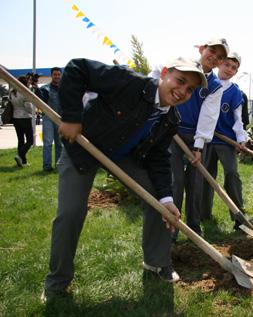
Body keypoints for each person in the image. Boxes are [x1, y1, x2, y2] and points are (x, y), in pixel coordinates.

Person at [41, 57, 207, 302]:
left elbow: (158, 159)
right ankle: (56, 282)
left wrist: (166, 197)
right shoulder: (129, 82)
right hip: (83, 146)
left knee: (161, 202)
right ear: (164, 73)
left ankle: (156, 261)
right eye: (180, 81)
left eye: (190, 89)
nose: (182, 91)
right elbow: (78, 68)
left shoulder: (171, 119)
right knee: (71, 213)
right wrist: (72, 117)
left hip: (123, 156)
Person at [149, 38, 229, 236]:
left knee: (195, 183)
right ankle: (172, 229)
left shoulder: (215, 86)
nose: (214, 58)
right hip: (171, 132)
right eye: (212, 51)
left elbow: (208, 117)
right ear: (202, 49)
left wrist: (199, 145)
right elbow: (155, 80)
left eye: (220, 57)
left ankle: (194, 227)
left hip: (195, 136)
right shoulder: (180, 66)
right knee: (175, 180)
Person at [200, 52, 247, 229]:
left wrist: (241, 138)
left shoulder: (235, 92)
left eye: (234, 67)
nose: (229, 69)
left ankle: (238, 217)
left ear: (236, 72)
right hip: (206, 139)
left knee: (232, 173)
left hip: (226, 141)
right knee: (206, 176)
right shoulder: (207, 84)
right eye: (227, 64)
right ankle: (204, 214)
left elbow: (237, 119)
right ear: (220, 64)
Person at [37, 67, 63, 171]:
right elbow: (41, 99)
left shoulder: (64, 88)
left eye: (58, 74)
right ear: (51, 75)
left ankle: (58, 166)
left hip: (60, 119)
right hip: (48, 118)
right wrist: (36, 88)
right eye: (55, 74)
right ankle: (47, 166)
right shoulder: (45, 88)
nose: (57, 76)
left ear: (61, 75)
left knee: (59, 144)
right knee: (47, 143)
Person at [10, 76, 34, 167]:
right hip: (25, 118)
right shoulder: (25, 92)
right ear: (25, 83)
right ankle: (19, 155)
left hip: (15, 118)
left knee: (20, 140)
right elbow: (29, 108)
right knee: (30, 140)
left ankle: (23, 162)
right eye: (28, 82)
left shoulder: (12, 92)